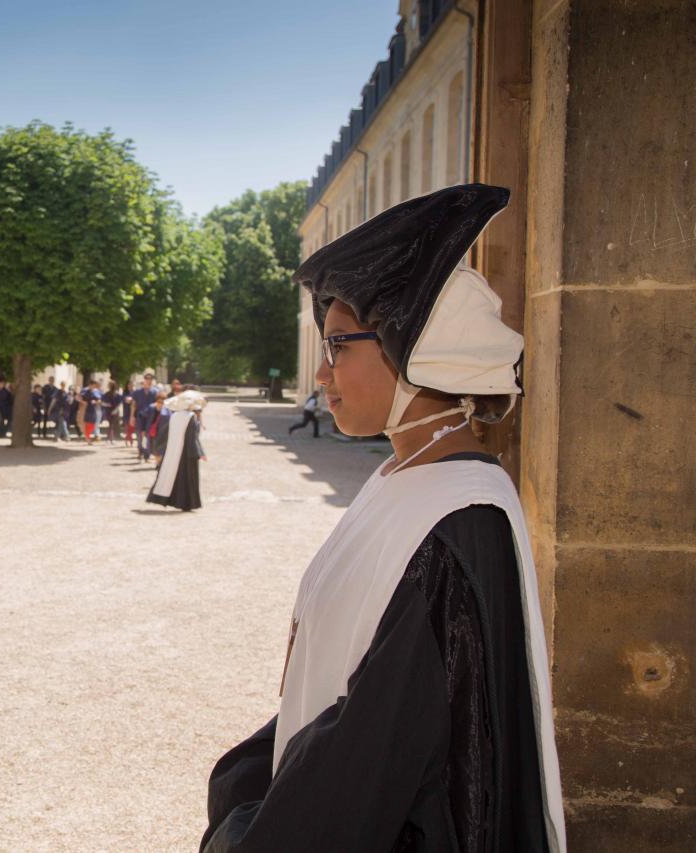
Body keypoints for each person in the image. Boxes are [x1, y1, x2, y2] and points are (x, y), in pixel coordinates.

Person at [201, 184, 564, 853]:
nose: (322, 372)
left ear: (416, 352)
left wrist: (249, 820)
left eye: (339, 345)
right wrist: (253, 770)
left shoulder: (458, 518)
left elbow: (379, 756)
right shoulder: (402, 477)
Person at [147, 389, 206, 511]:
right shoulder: (191, 416)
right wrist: (198, 453)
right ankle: (186, 503)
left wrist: (158, 448)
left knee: (172, 476)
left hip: (172, 452)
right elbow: (192, 437)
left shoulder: (174, 416)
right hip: (187, 453)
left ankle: (172, 500)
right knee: (187, 478)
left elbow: (164, 433)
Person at [130, 373, 160, 461]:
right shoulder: (138, 392)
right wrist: (132, 417)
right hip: (139, 416)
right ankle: (140, 451)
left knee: (148, 436)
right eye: (147, 379)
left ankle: (147, 454)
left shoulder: (155, 392)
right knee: (139, 435)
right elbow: (133, 404)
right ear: (144, 380)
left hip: (150, 417)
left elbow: (158, 404)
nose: (149, 381)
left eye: (150, 379)